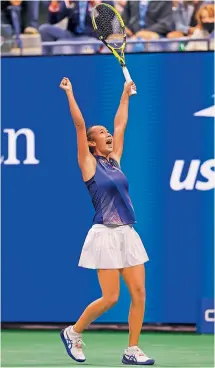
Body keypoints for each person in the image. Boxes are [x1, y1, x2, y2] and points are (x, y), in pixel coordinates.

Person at [59, 76, 154, 366]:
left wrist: (125, 94)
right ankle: (73, 332)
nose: (107, 134)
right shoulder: (88, 163)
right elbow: (78, 124)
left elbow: (121, 124)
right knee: (111, 297)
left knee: (138, 293)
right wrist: (70, 94)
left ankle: (132, 349)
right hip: (105, 234)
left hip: (127, 233)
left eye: (106, 132)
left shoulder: (115, 160)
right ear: (91, 142)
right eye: (101, 133)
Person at [39, 1, 113, 55]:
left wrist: (97, 6)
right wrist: (54, 6)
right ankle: (47, 59)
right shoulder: (73, 1)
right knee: (44, 29)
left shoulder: (106, 2)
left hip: (91, 36)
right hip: (71, 35)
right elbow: (53, 21)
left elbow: (109, 25)